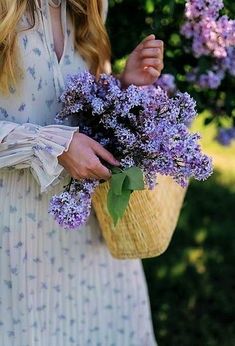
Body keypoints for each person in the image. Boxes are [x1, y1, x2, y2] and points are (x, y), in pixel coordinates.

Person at [0, 0, 164, 345]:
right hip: (14, 239)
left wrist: (122, 87)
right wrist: (50, 145)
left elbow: (77, 107)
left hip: (85, 234)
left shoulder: (89, 7)